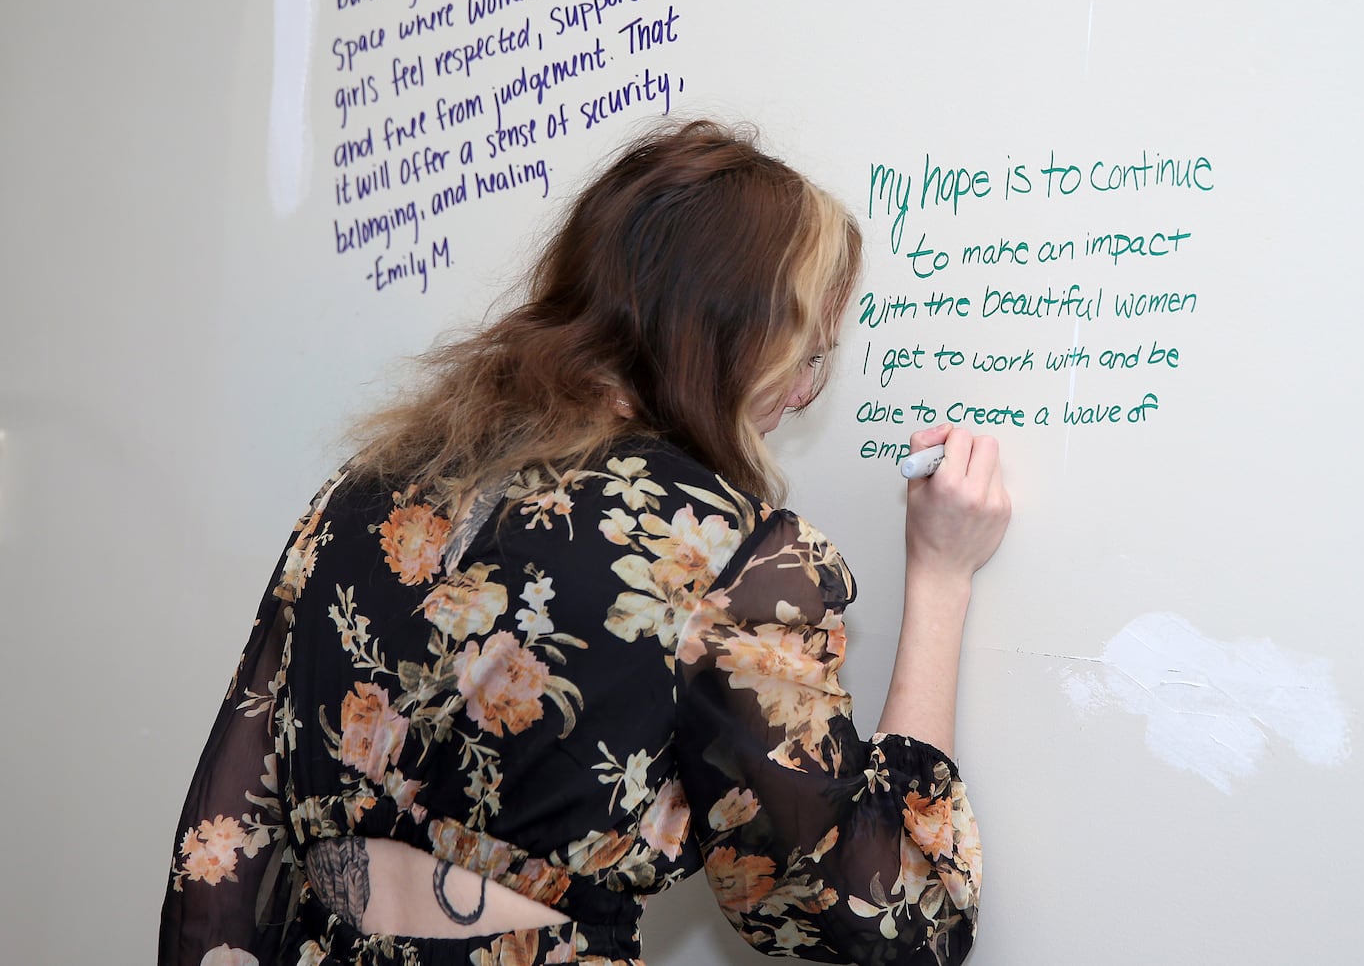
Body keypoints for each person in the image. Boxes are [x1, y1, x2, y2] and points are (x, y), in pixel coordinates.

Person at [159, 120, 1010, 966]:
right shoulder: (721, 559)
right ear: (724, 340)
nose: (797, 393)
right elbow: (886, 914)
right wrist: (940, 579)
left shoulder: (362, 493)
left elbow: (228, 842)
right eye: (804, 355)